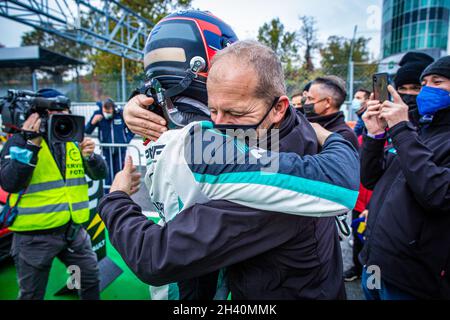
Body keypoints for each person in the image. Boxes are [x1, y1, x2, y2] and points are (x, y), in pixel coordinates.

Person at [98, 40, 360, 300]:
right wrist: (138, 100)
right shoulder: (285, 124)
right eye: (212, 110)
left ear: (278, 108)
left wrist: (116, 199)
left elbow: (154, 256)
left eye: (234, 112)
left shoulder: (264, 181)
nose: (219, 126)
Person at [0, 88, 107, 300]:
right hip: (33, 238)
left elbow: (99, 174)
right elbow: (10, 182)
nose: (62, 117)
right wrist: (31, 144)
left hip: (73, 232)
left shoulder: (71, 138)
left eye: (66, 111)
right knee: (32, 294)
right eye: (53, 112)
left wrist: (91, 157)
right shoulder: (19, 141)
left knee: (89, 279)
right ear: (37, 115)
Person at [360, 55, 450, 299]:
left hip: (411, 278)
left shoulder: (409, 130)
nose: (426, 89)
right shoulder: (417, 130)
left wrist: (401, 128)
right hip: (376, 262)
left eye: (437, 82)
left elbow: (437, 193)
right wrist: (375, 135)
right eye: (426, 82)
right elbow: (371, 179)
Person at [85, 98, 134, 193]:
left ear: (113, 109)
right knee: (107, 174)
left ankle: (119, 194)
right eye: (105, 111)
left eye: (109, 112)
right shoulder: (98, 114)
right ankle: (107, 195)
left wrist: (126, 140)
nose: (107, 113)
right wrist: (92, 123)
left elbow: (131, 128)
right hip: (106, 149)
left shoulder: (120, 114)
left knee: (119, 173)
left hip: (120, 149)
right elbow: (87, 130)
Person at [304, 76, 359, 150]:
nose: (306, 103)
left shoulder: (344, 136)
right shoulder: (306, 123)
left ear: (327, 102)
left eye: (310, 99)